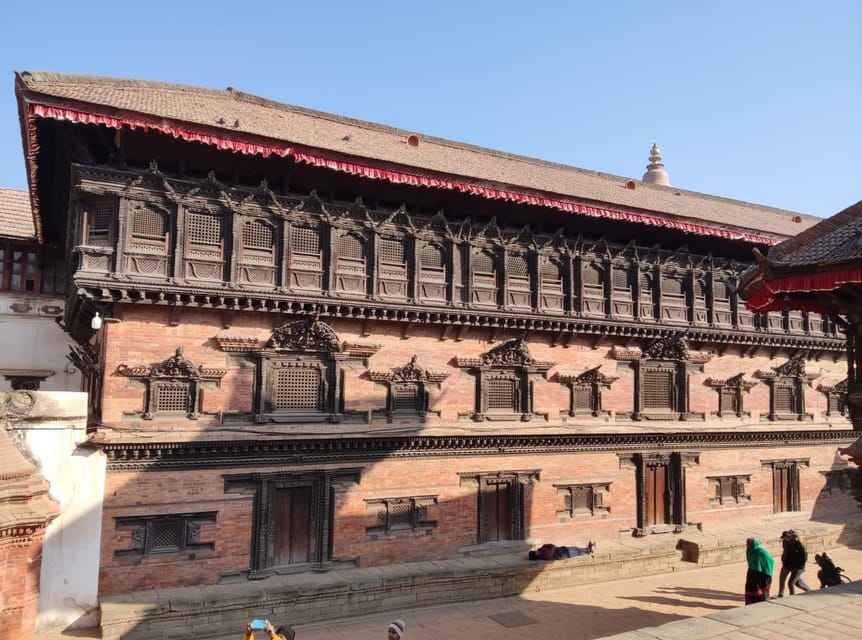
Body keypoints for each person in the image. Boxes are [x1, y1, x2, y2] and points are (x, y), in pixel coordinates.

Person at [744, 537, 774, 604]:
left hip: (762, 574)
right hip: (752, 573)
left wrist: (766, 569)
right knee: (751, 589)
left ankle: (763, 604)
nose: (747, 545)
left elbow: (770, 561)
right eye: (747, 543)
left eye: (749, 543)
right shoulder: (748, 551)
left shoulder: (761, 551)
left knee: (761, 590)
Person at [782, 529, 811, 595]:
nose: (789, 537)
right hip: (793, 566)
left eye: (790, 536)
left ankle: (792, 596)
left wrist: (798, 567)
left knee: (791, 583)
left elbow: (804, 558)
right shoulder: (791, 543)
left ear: (795, 536)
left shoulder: (800, 545)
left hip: (798, 568)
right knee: (797, 582)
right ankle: (810, 591)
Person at [528, 541, 595, 560]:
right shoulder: (543, 555)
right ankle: (589, 550)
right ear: (535, 555)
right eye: (534, 552)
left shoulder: (540, 550)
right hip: (562, 554)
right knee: (576, 552)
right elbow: (551, 548)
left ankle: (588, 548)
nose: (535, 551)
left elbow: (546, 545)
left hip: (562, 550)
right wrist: (550, 547)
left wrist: (549, 546)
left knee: (575, 548)